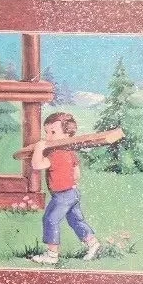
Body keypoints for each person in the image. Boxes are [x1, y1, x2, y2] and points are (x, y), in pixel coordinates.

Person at [30, 112, 101, 264]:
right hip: (73, 192)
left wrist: (38, 149)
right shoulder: (70, 153)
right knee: (76, 220)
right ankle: (93, 243)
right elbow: (77, 174)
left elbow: (36, 165)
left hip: (62, 195)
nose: (48, 137)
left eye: (53, 132)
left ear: (67, 134)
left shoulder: (54, 154)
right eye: (46, 132)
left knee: (50, 219)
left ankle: (52, 255)